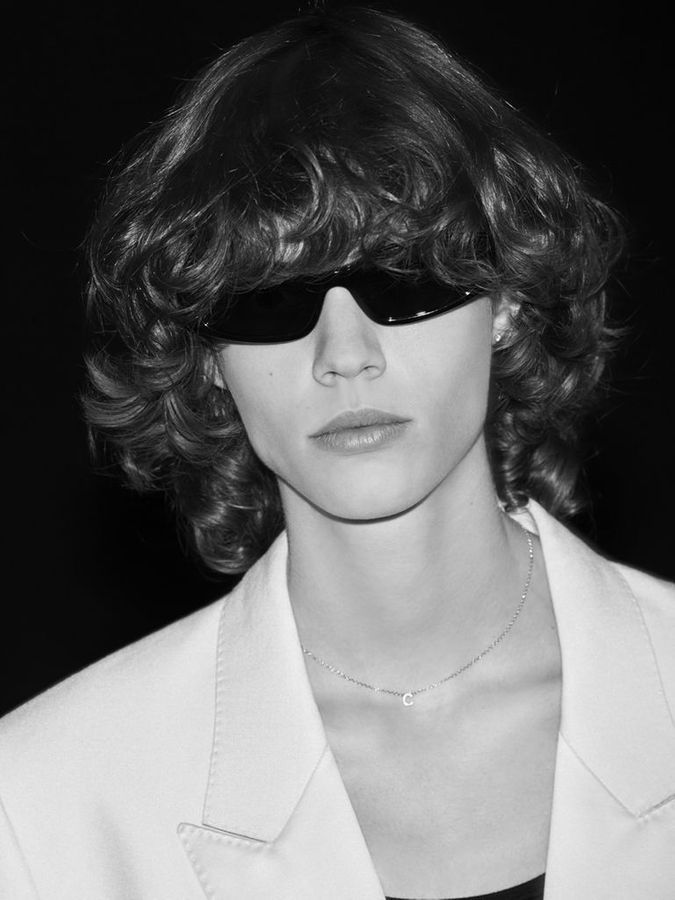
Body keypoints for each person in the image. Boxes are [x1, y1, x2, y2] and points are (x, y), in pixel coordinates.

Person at [1, 5, 674, 899]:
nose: (344, 353)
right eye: (271, 298)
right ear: (208, 359)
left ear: (506, 301)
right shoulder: (47, 801)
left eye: (403, 279)